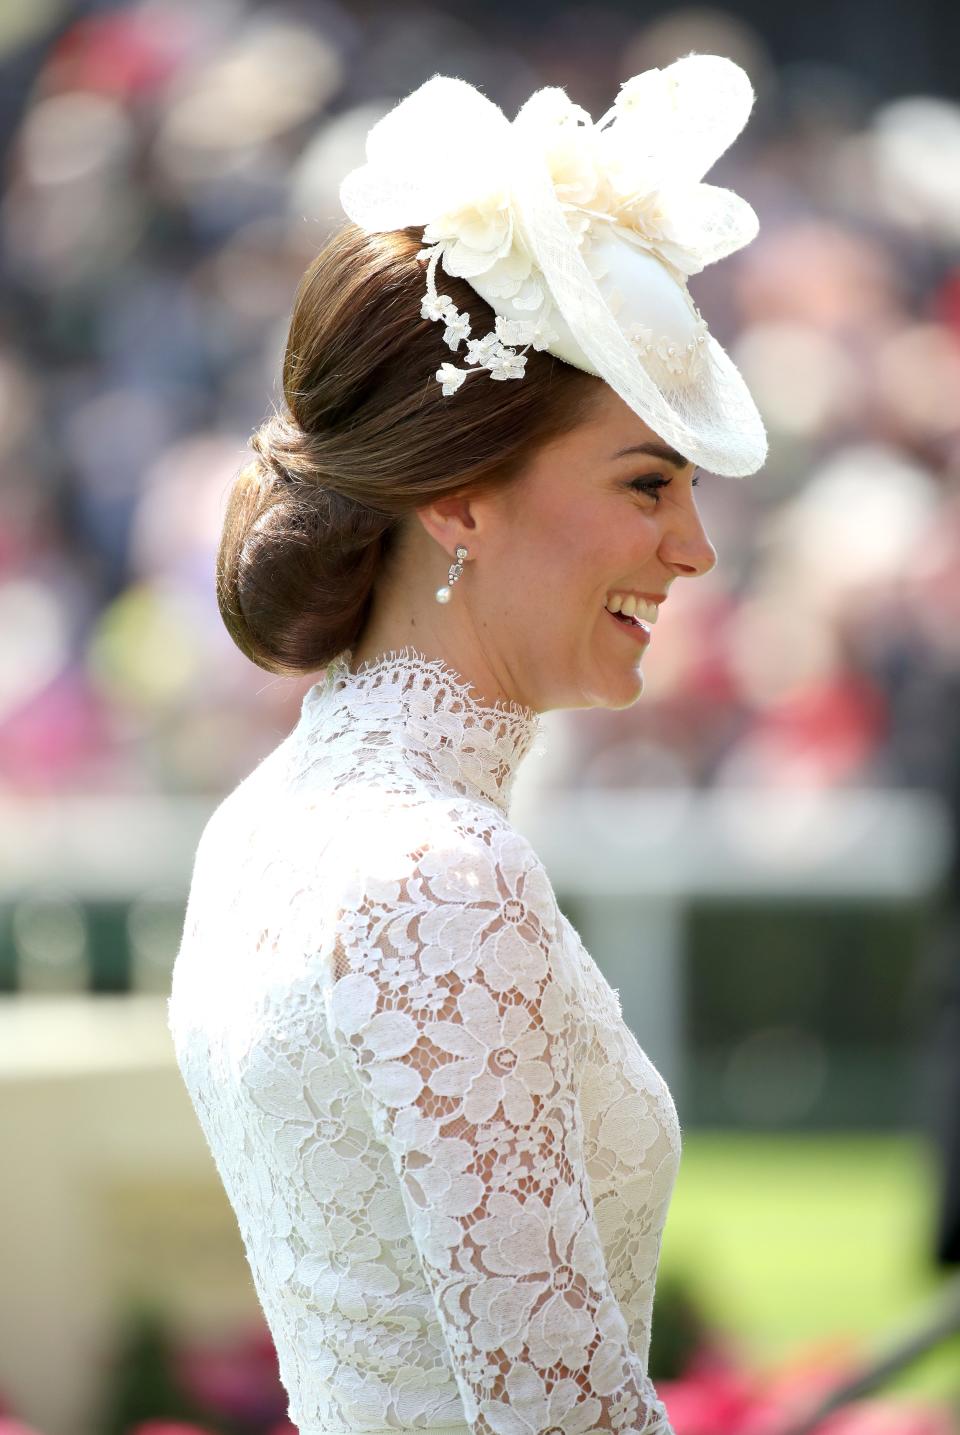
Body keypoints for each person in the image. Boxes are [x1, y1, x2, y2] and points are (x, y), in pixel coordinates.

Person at [167, 57, 768, 1435]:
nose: (694, 545)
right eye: (645, 482)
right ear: (457, 500)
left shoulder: (270, 816)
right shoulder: (440, 871)